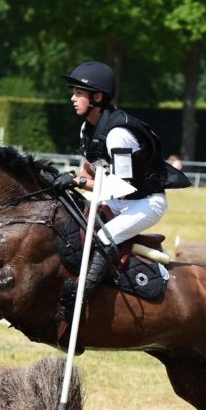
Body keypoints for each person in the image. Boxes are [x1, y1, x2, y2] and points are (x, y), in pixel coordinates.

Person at [55, 60, 189, 301]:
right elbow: (90, 173)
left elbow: (121, 185)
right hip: (117, 199)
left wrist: (78, 183)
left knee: (105, 236)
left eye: (78, 93)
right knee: (73, 217)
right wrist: (71, 180)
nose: (72, 98)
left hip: (144, 203)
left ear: (97, 96)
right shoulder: (87, 129)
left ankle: (83, 293)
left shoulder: (118, 134)